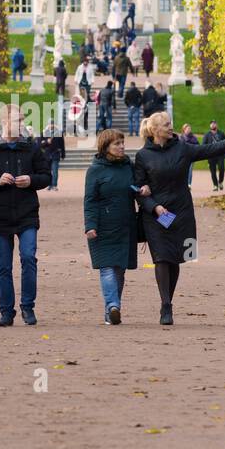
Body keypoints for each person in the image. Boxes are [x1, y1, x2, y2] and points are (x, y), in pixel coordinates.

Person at [134, 111, 225, 325]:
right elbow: (138, 189)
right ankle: (166, 306)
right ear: (155, 130)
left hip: (181, 212)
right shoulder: (143, 156)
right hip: (156, 215)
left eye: (170, 123)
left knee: (176, 259)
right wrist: (154, 206)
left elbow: (210, 149)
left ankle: (169, 300)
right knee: (162, 258)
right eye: (166, 124)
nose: (170, 126)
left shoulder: (182, 148)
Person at [0, 104, 50, 326]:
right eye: (17, 120)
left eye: (22, 119)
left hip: (27, 213)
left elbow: (46, 176)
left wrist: (31, 181)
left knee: (28, 258)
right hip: (1, 215)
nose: (21, 124)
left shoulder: (32, 147)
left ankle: (28, 307)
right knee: (4, 265)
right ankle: (6, 311)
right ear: (4, 121)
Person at [83, 129, 141, 325]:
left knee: (119, 270)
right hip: (102, 226)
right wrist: (90, 225)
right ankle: (112, 306)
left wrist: (143, 189)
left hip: (126, 225)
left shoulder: (128, 167)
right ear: (105, 147)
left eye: (122, 143)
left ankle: (113, 308)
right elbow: (90, 200)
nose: (122, 146)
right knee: (107, 268)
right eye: (117, 144)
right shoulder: (95, 170)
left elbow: (137, 188)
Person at [202, 120, 225, 191]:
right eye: (211, 124)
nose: (213, 125)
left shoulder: (221, 133)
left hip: (220, 154)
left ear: (217, 125)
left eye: (214, 123)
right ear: (210, 126)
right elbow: (203, 144)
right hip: (211, 155)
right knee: (213, 171)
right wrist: (204, 153)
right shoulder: (207, 135)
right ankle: (215, 185)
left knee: (222, 168)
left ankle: (220, 182)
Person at [41, 120, 66, 190]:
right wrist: (46, 142)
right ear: (48, 125)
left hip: (56, 154)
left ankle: (54, 185)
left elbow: (62, 144)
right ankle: (49, 185)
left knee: (55, 171)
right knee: (48, 171)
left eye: (53, 124)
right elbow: (40, 144)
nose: (51, 126)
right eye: (50, 124)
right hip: (47, 155)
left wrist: (63, 154)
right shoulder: (44, 132)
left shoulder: (59, 133)